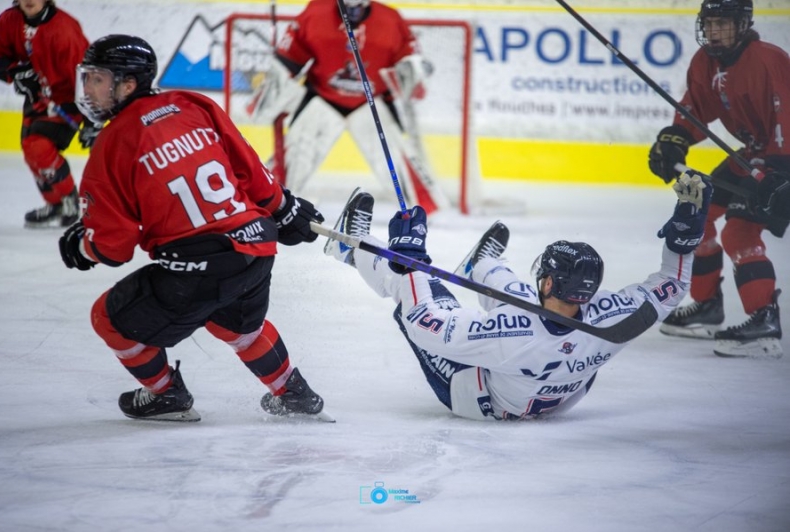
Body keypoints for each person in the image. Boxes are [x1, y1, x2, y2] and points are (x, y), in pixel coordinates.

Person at [58, 34, 328, 422]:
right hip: (257, 248)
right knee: (237, 325)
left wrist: (80, 246)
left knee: (107, 317)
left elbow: (113, 248)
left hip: (197, 267)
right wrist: (284, 209)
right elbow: (249, 169)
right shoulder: (192, 104)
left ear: (128, 84)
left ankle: (166, 395)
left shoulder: (113, 143)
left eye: (97, 79)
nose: (88, 89)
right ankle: (295, 395)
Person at [322, 172, 710, 421]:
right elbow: (671, 286)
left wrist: (410, 259)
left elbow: (424, 324)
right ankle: (480, 266)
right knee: (521, 300)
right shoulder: (615, 317)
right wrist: (683, 242)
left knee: (428, 290)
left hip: (476, 394)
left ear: (548, 281)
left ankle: (352, 247)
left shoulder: (509, 334)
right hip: (559, 394)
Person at [647, 0, 789, 359]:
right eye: (709, 24)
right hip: (754, 153)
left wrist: (780, 173)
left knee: (739, 232)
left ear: (743, 25)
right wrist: (674, 141)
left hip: (780, 157)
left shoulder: (767, 60)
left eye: (723, 24)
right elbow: (695, 108)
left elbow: (785, 118)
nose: (714, 31)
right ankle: (708, 306)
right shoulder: (705, 62)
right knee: (698, 211)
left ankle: (764, 320)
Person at [249, 0, 447, 213]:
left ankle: (423, 211)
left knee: (397, 160)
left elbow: (409, 65)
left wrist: (412, 72)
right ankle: (267, 203)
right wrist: (272, 91)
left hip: (371, 103)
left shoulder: (390, 20)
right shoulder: (316, 12)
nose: (352, 12)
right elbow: (289, 60)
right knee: (296, 155)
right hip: (323, 98)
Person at [0, 0, 98, 228]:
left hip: (68, 101)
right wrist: (15, 72)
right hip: (37, 99)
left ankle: (70, 201)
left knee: (38, 146)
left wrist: (92, 120)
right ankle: (56, 204)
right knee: (31, 151)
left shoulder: (64, 31)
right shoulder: (10, 21)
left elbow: (87, 78)